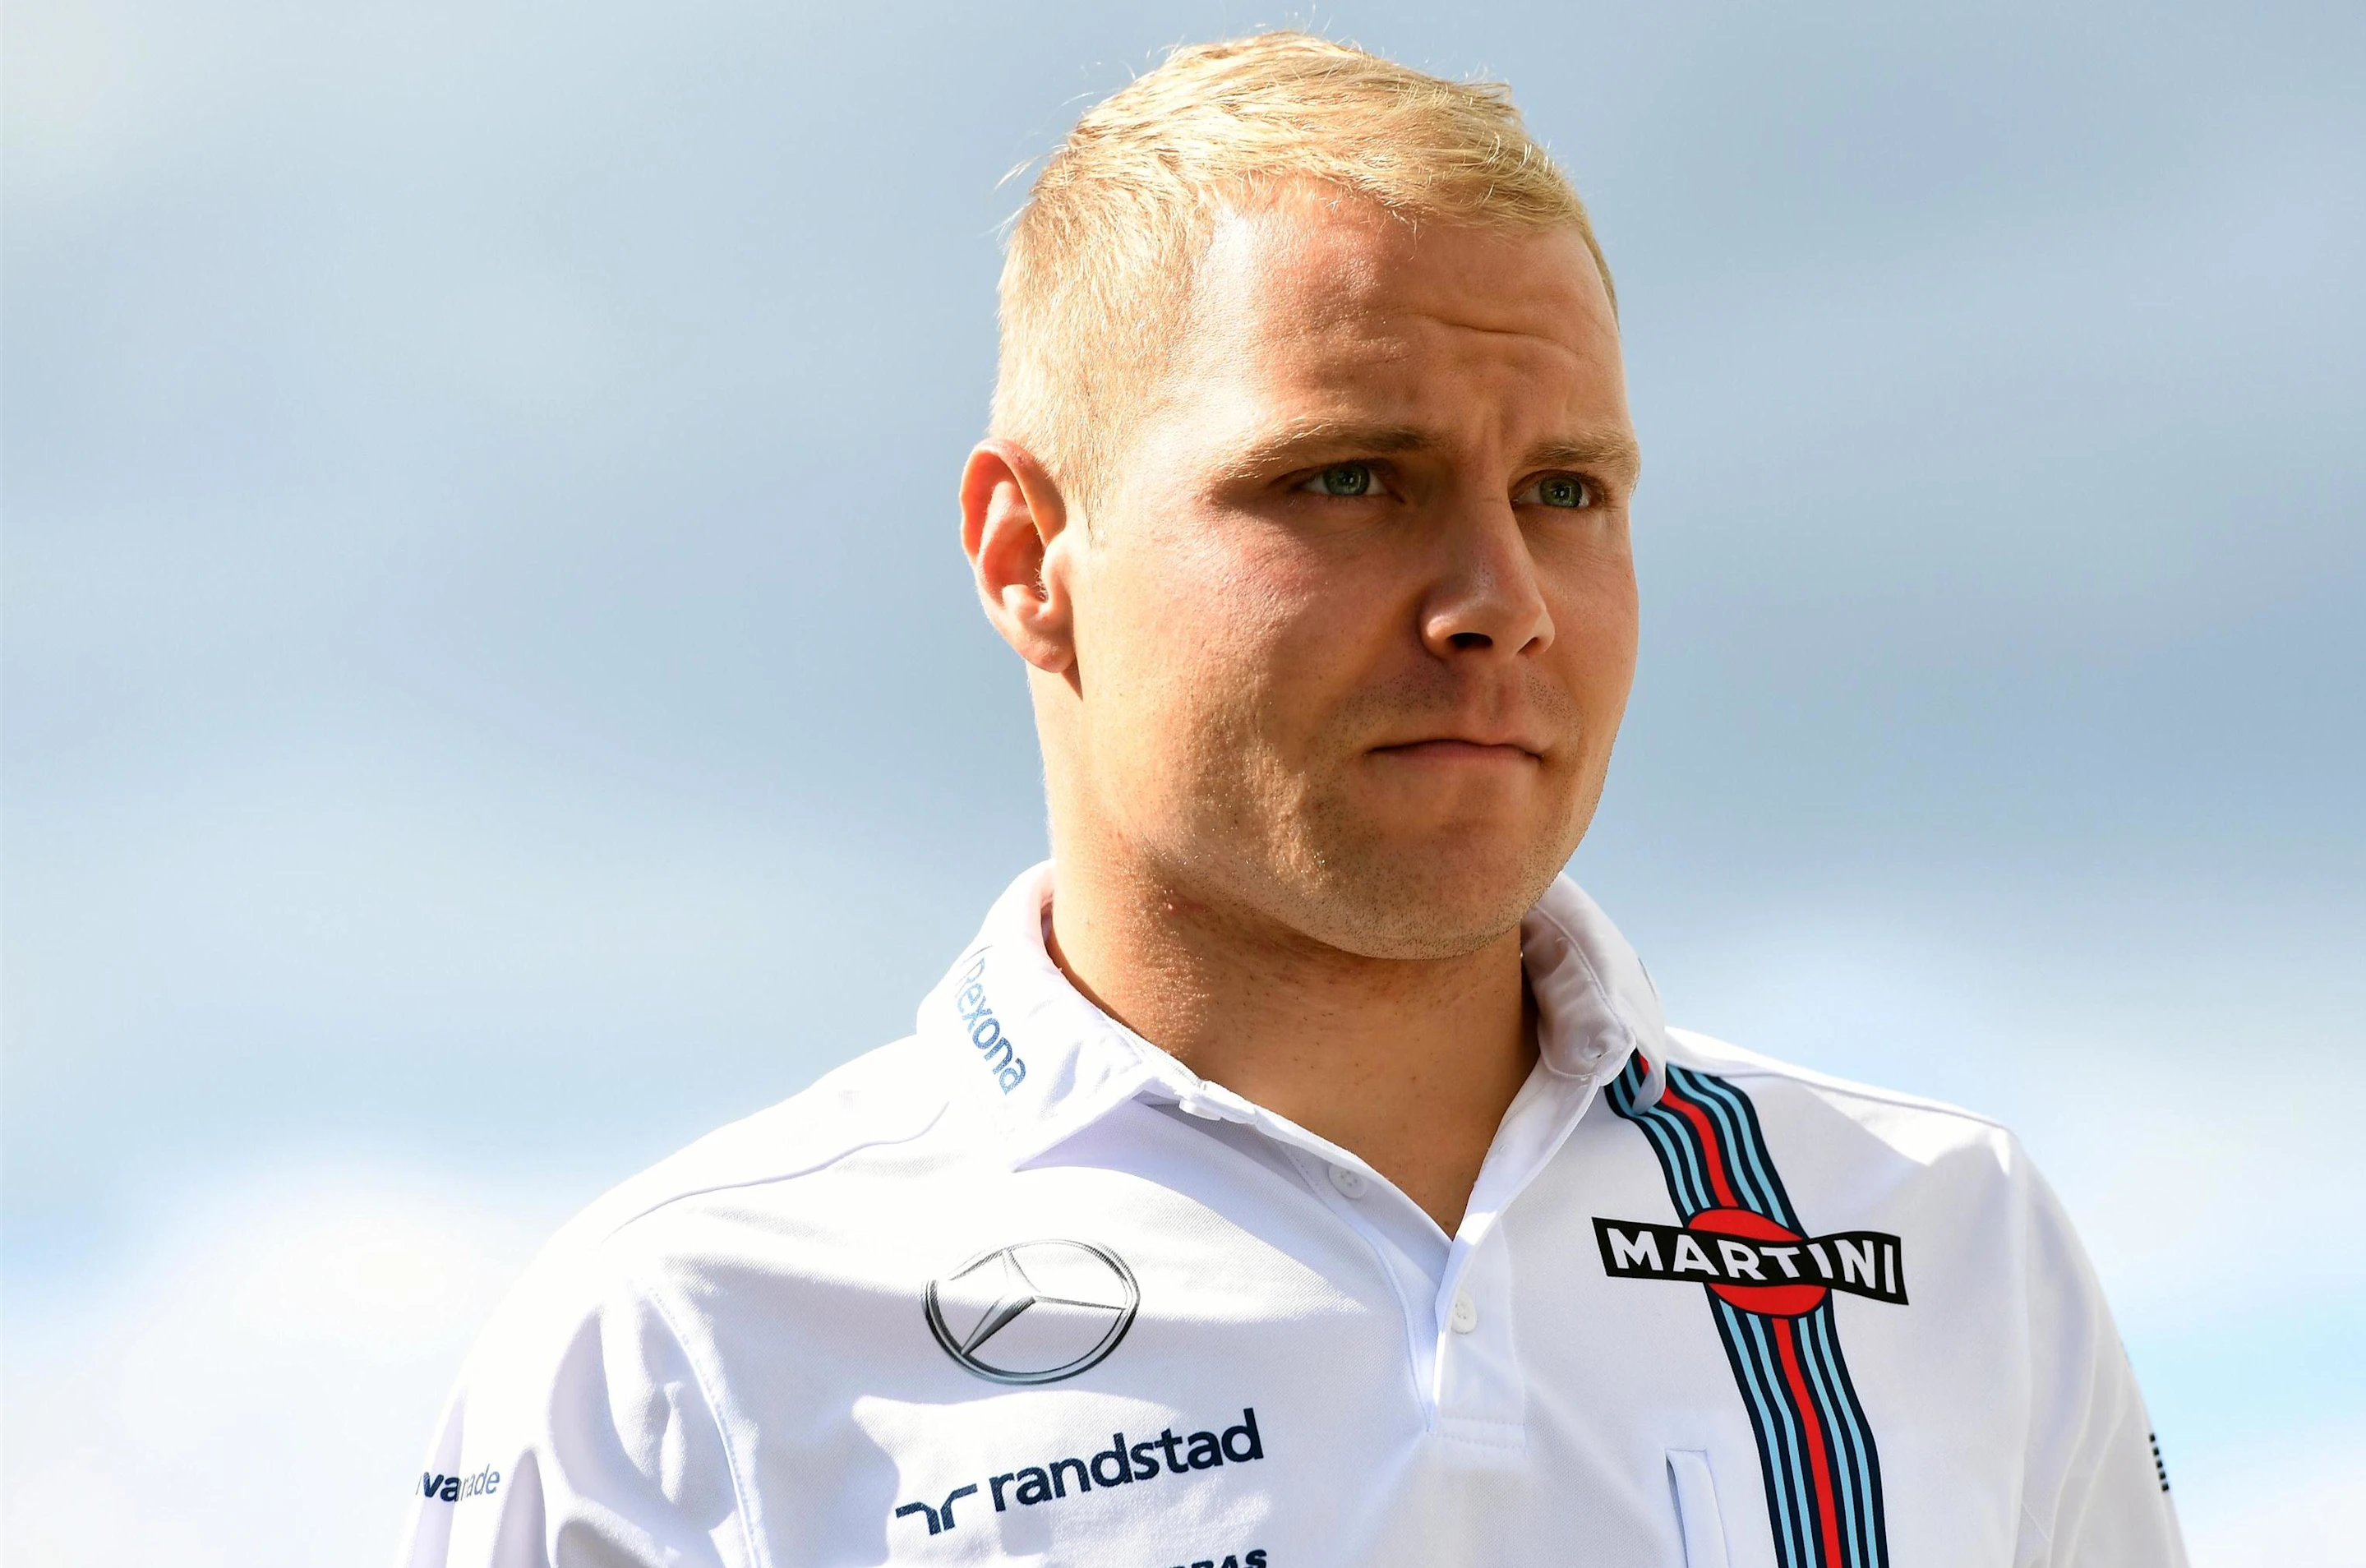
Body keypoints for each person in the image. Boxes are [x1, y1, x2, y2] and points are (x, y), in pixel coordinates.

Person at [399, 32, 2188, 1568]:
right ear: (1030, 556)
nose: (1501, 596)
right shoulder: (683, 1335)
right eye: (1348, 476)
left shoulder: (1946, 1241)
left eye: (1568, 489)